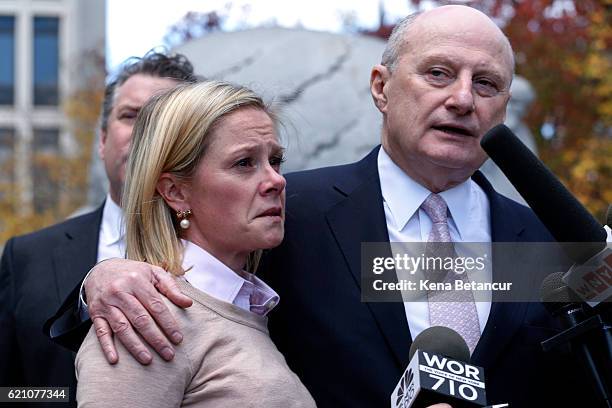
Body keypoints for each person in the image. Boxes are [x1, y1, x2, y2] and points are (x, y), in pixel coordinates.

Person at [47, 6, 599, 407]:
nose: (461, 98)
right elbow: (187, 293)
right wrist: (103, 274)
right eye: (437, 73)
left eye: (486, 83)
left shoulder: (549, 244)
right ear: (380, 87)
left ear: (504, 105)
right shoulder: (291, 213)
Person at [75, 80, 316, 407]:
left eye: (274, 160)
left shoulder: (243, 307)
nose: (276, 180)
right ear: (175, 191)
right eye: (244, 163)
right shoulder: (146, 316)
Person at [0, 50, 197, 406]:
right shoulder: (27, 257)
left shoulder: (234, 255)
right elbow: (7, 391)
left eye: (163, 119)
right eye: (130, 116)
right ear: (103, 139)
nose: (144, 133)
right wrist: (61, 399)